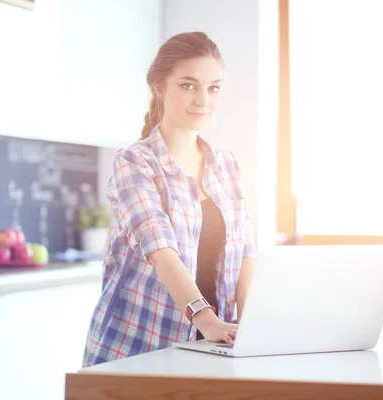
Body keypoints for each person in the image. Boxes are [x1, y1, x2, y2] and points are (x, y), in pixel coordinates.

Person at [82, 31, 257, 367]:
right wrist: (203, 316)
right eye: (188, 85)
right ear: (160, 87)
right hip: (135, 350)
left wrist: (250, 327)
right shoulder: (135, 162)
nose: (202, 100)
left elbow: (246, 253)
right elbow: (161, 251)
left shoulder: (226, 165)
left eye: (213, 87)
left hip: (212, 348)